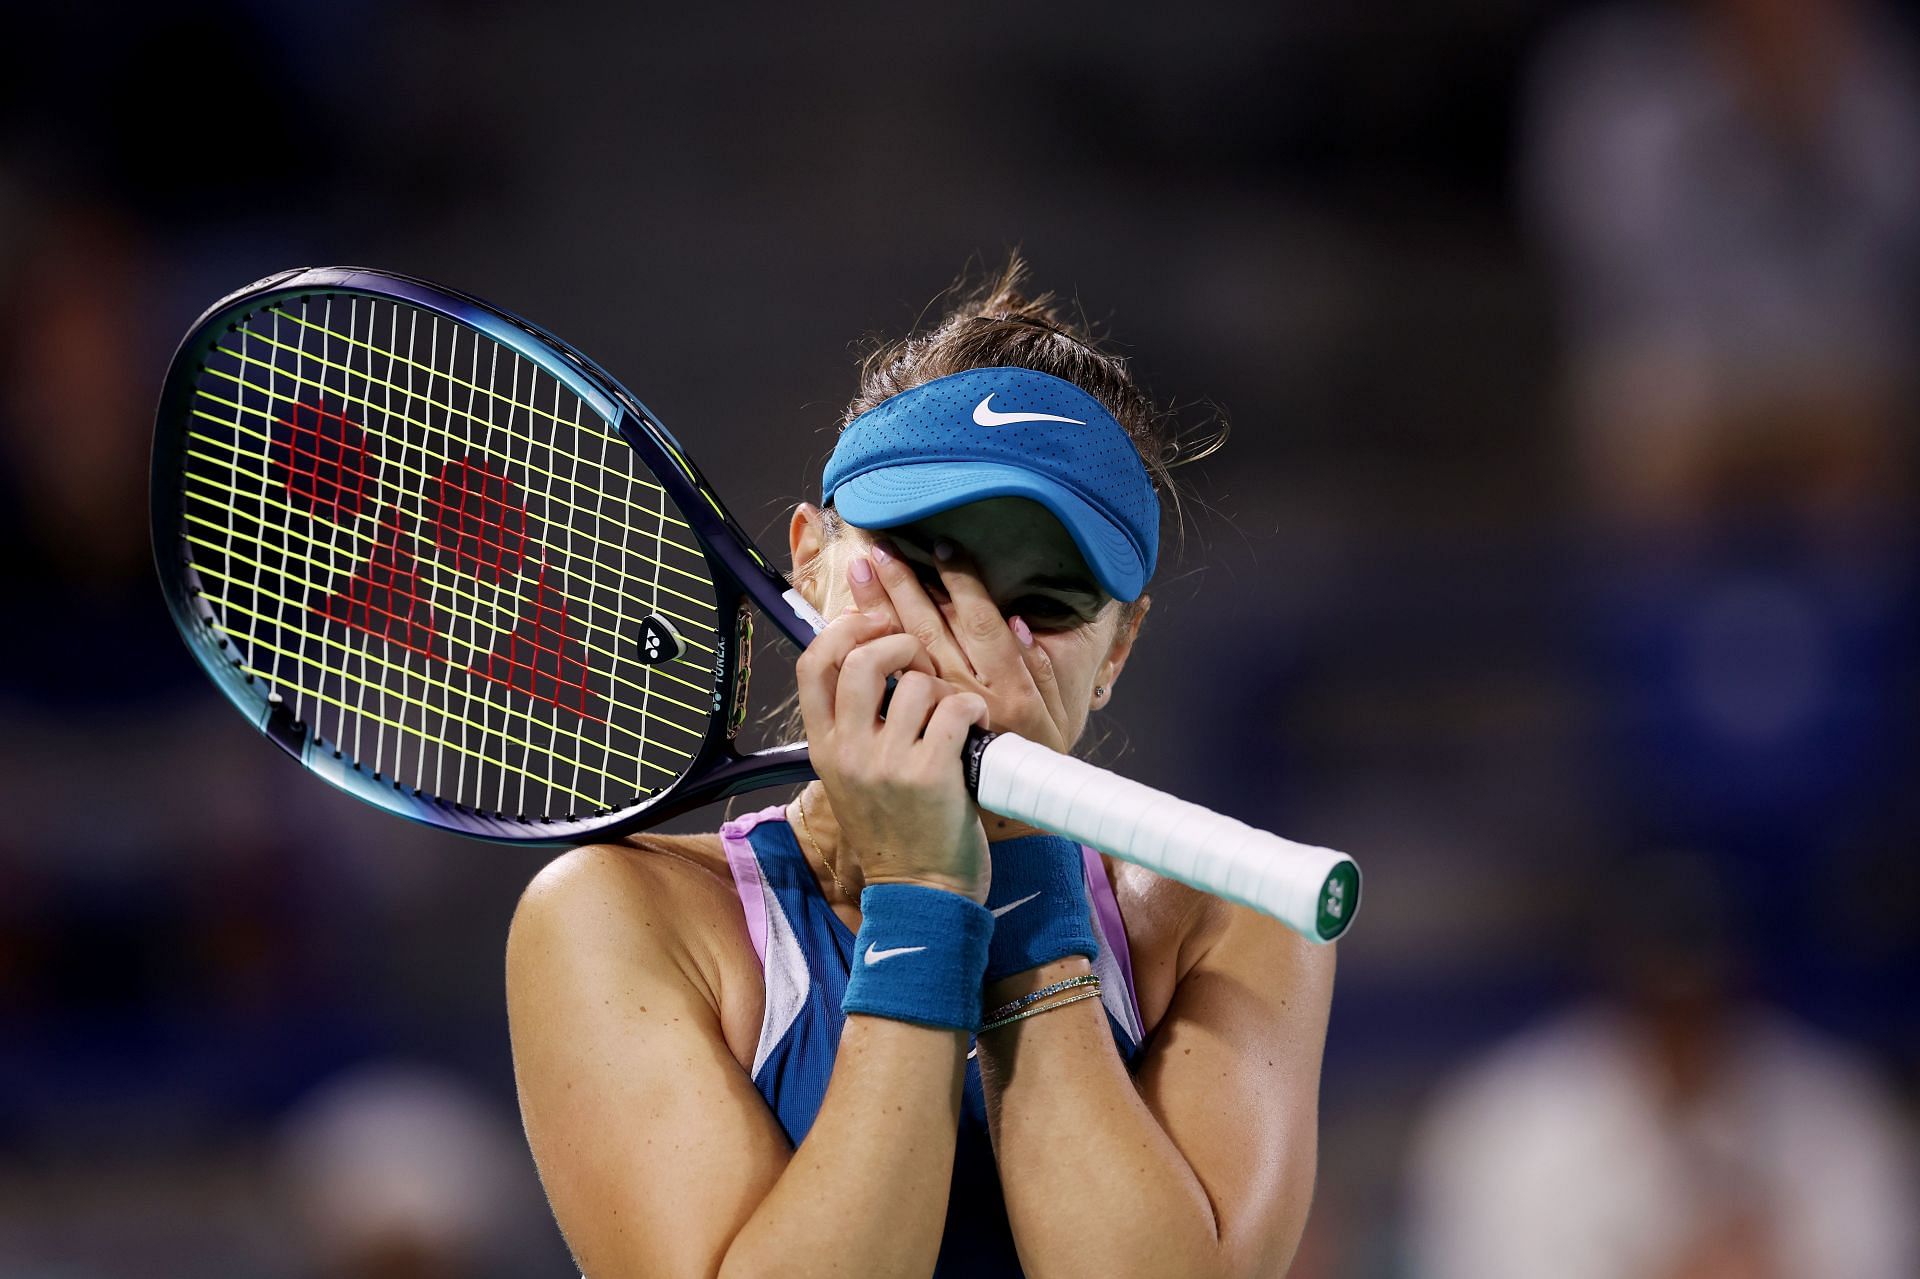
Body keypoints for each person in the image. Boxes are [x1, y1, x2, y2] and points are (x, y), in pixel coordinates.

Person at [505, 263, 1335, 1278]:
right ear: (810, 559)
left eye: (1049, 602)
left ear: (1117, 650)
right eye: (924, 565)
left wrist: (1018, 870)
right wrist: (926, 897)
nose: (969, 646)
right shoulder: (614, 914)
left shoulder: (1233, 914)